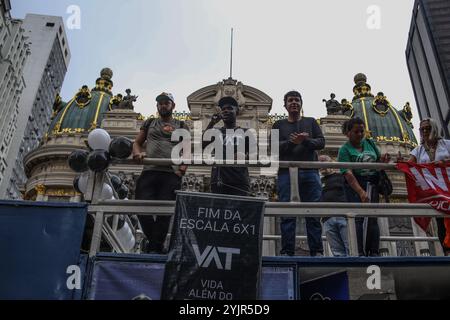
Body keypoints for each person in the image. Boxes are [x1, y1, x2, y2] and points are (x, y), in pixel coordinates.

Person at [132, 92, 189, 254]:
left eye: (166, 103)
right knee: (141, 207)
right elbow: (137, 143)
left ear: (173, 106)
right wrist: (137, 152)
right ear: (157, 106)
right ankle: (156, 244)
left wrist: (181, 171)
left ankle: (154, 247)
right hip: (149, 171)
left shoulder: (181, 125)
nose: (163, 105)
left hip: (171, 173)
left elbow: (187, 149)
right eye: (160, 103)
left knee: (165, 212)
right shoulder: (150, 122)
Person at [273, 90, 325, 256]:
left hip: (310, 172)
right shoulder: (278, 125)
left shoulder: (311, 122)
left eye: (296, 100)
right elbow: (273, 147)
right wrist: (291, 142)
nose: (293, 102)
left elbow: (321, 142)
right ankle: (287, 251)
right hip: (286, 173)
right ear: (285, 105)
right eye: (290, 100)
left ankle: (316, 250)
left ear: (301, 103)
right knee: (287, 213)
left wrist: (305, 141)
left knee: (313, 212)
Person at [338, 117, 389, 256]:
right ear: (348, 133)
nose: (360, 134)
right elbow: (348, 174)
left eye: (362, 131)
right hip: (355, 185)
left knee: (373, 217)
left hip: (372, 183)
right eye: (356, 132)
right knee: (358, 218)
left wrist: (383, 161)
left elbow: (378, 162)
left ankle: (374, 252)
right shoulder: (344, 150)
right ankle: (359, 252)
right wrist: (360, 192)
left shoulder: (370, 143)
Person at [409, 118, 450, 254]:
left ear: (434, 129)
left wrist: (446, 162)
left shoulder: (447, 144)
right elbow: (409, 165)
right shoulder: (418, 150)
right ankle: (447, 251)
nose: (425, 131)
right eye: (422, 129)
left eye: (428, 128)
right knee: (440, 221)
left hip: (448, 187)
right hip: (434, 191)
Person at [204, 96, 251, 196]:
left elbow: (256, 155)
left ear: (237, 111)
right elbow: (203, 144)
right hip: (218, 181)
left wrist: (245, 157)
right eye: (223, 109)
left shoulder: (246, 132)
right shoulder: (215, 132)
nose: (226, 111)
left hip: (239, 182)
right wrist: (211, 123)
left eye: (230, 108)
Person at [319, 155, 349, 257]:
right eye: (319, 164)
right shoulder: (318, 181)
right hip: (327, 219)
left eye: (324, 162)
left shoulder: (341, 177)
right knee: (337, 251)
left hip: (343, 216)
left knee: (350, 247)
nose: (322, 166)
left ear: (331, 163)